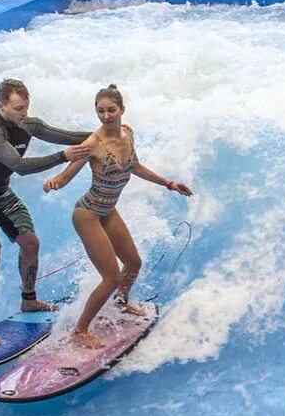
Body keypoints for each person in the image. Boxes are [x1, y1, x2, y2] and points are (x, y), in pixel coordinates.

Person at [43, 84, 192, 349]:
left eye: (111, 110)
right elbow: (66, 176)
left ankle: (121, 304)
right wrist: (54, 181)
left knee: (133, 264)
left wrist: (168, 183)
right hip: (87, 213)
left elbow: (134, 166)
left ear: (122, 110)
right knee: (111, 277)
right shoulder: (92, 144)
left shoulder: (127, 134)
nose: (106, 116)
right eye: (100, 111)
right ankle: (80, 330)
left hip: (108, 211)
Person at [0, 79, 95, 348]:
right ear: (1, 105)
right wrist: (63, 157)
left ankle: (29, 299)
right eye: (19, 108)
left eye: (26, 107)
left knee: (31, 243)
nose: (24, 114)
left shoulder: (28, 124)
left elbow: (67, 136)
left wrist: (105, 132)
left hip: (2, 194)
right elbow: (18, 165)